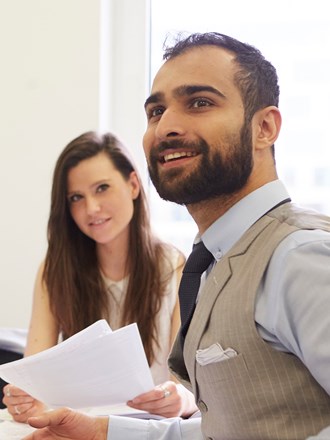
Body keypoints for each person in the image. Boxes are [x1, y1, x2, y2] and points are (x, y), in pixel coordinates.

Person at [22, 31, 330, 440]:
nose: (166, 126)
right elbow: (223, 429)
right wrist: (101, 432)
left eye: (200, 102)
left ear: (265, 128)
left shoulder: (301, 256)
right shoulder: (213, 265)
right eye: (155, 111)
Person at [3, 131, 198, 423]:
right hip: (80, 427)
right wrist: (24, 398)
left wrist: (178, 400)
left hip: (148, 428)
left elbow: (185, 387)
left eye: (102, 188)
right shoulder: (55, 270)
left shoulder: (176, 269)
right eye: (76, 197)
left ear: (133, 185)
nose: (91, 208)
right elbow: (34, 377)